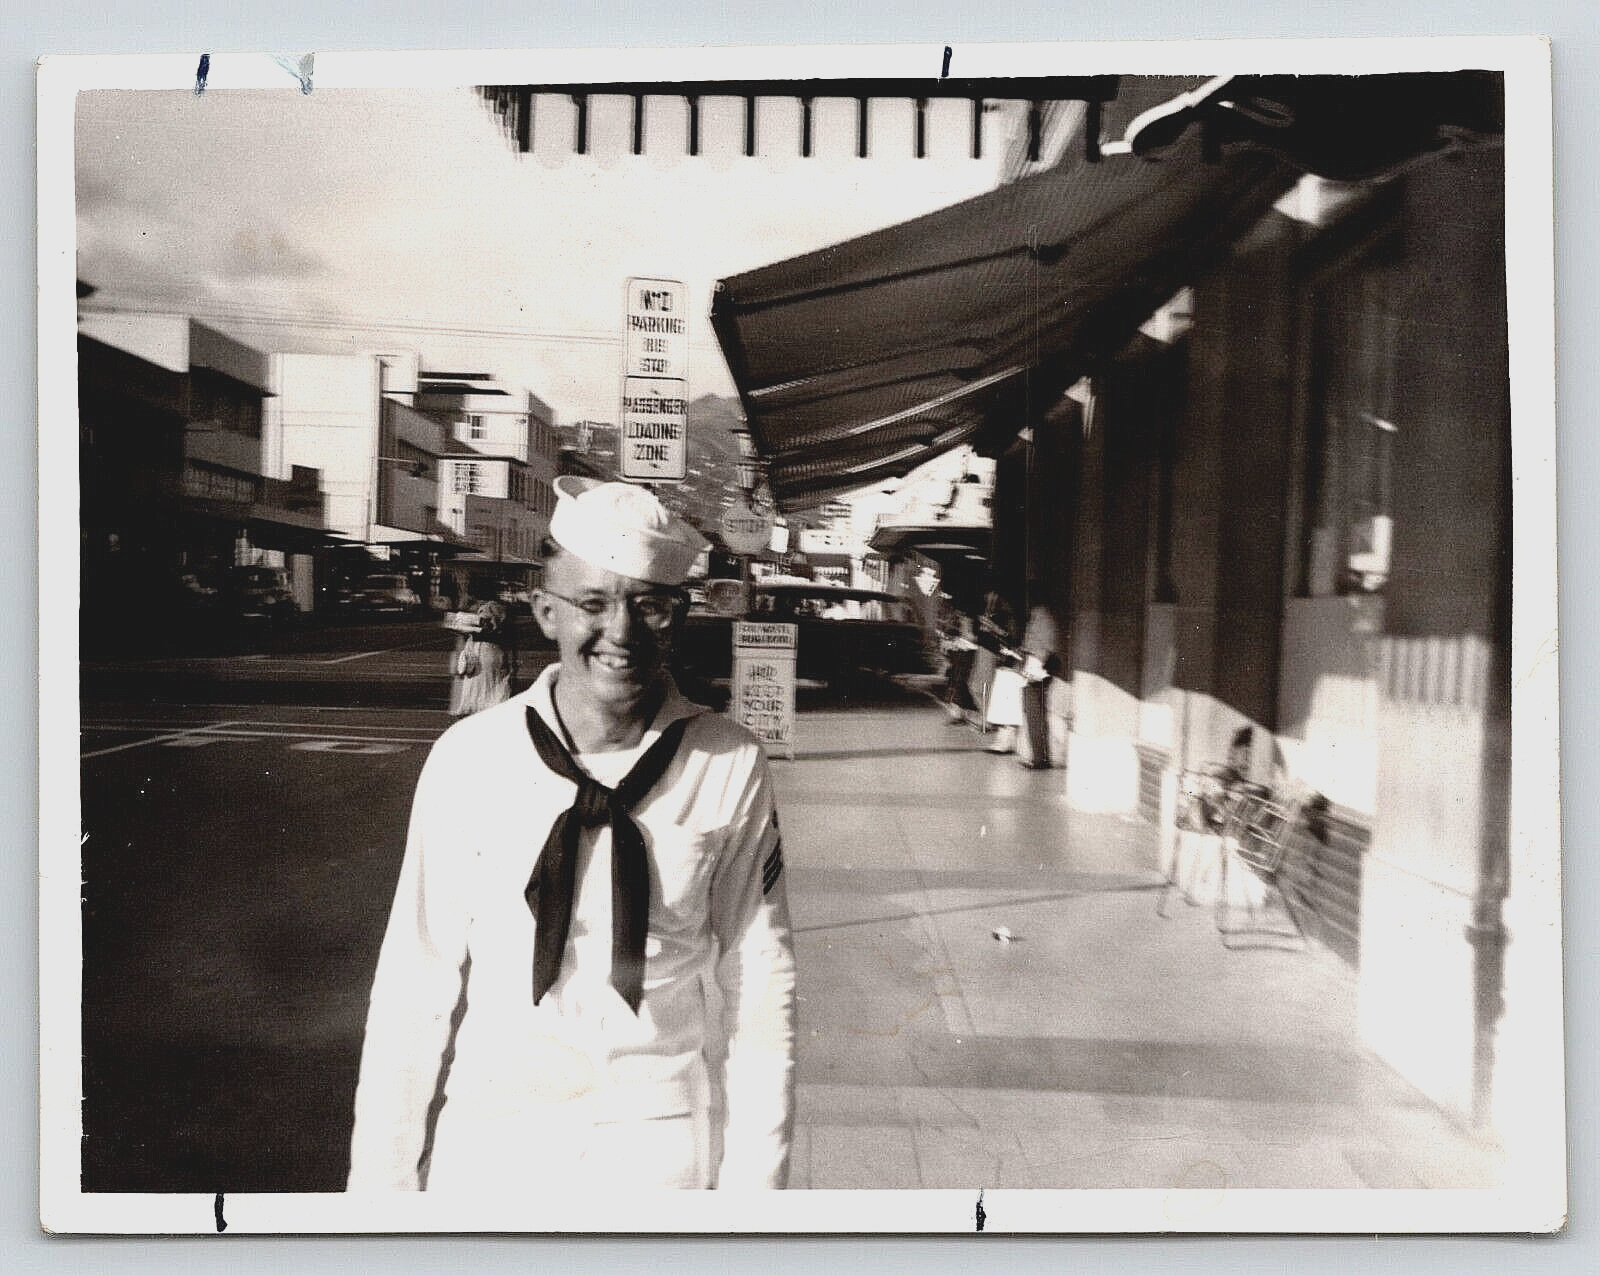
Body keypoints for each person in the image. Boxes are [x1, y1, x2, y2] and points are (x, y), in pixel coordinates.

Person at [348, 477, 796, 1193]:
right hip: (492, 1138)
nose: (620, 632)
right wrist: (378, 1194)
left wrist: (755, 1198)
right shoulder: (471, 756)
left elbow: (760, 981)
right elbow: (413, 982)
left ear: (677, 618)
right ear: (545, 610)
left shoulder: (729, 759)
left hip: (658, 1150)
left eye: (649, 605)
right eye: (593, 602)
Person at [446, 588, 518, 717]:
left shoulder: (488, 609)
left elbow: (486, 628)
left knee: (480, 685)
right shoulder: (498, 610)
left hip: (484, 653)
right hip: (489, 653)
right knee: (489, 686)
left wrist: (467, 627)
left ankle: (480, 711)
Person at [1018, 594, 1062, 769]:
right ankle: (1040, 756)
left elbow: (1044, 646)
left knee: (1034, 714)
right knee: (1036, 714)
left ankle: (1039, 758)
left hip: (1036, 670)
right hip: (1037, 668)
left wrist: (1034, 666)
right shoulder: (1041, 616)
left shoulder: (1040, 617)